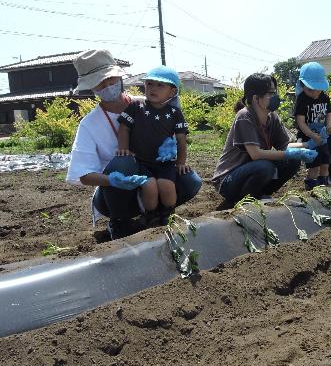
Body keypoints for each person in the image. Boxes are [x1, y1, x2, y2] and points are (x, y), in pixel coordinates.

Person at [66, 50, 201, 239]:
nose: (107, 86)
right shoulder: (89, 124)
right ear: (92, 88)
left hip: (154, 174)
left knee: (189, 180)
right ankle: (120, 223)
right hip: (114, 195)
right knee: (124, 161)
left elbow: (174, 130)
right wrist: (113, 180)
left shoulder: (145, 105)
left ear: (118, 77)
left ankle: (158, 216)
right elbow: (84, 176)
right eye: (100, 83)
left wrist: (173, 149)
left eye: (110, 79)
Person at [211, 73, 317, 206]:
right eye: (270, 93)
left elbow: (286, 146)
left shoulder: (272, 118)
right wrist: (289, 153)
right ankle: (244, 200)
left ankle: (260, 194)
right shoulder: (245, 116)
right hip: (228, 180)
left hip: (253, 170)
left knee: (293, 161)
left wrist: (308, 145)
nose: (275, 97)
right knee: (265, 166)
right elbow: (256, 154)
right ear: (256, 98)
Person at [116, 66, 189, 226]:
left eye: (160, 85)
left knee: (167, 186)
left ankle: (169, 216)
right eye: (149, 84)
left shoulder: (175, 113)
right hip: (141, 161)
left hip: (165, 162)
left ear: (172, 92)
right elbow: (124, 128)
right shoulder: (136, 107)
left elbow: (181, 140)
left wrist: (181, 162)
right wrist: (123, 147)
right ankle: (151, 217)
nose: (153, 88)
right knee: (149, 187)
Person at [294, 62, 331, 190]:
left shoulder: (325, 98)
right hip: (308, 138)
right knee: (314, 166)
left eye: (318, 89)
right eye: (311, 89)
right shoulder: (302, 99)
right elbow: (300, 121)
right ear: (303, 85)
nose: (315, 93)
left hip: (323, 137)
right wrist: (311, 135)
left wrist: (330, 125)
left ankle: (324, 186)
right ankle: (311, 189)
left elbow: (329, 114)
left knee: (325, 163)